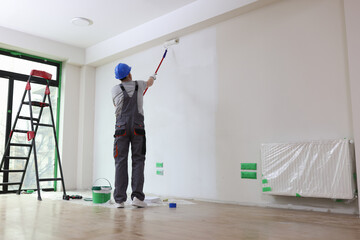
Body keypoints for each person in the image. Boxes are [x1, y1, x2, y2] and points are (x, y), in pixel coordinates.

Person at [111, 63, 155, 208]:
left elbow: (116, 106)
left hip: (121, 128)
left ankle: (120, 200)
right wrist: (152, 77)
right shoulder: (140, 84)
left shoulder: (115, 89)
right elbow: (150, 83)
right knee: (138, 160)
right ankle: (137, 198)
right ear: (129, 74)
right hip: (138, 127)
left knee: (120, 162)